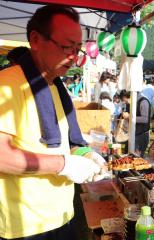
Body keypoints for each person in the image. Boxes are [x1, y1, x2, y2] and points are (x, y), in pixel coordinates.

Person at [0, 5, 107, 239]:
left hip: (62, 217)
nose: (73, 56)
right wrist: (63, 165)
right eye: (67, 46)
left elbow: (65, 145)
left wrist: (86, 154)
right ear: (36, 40)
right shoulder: (7, 85)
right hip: (24, 227)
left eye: (78, 49)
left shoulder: (57, 88)